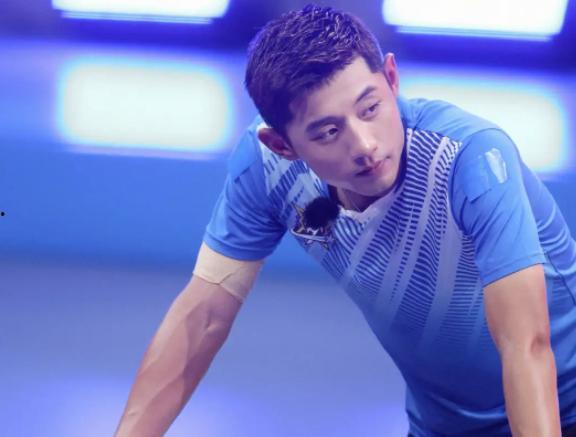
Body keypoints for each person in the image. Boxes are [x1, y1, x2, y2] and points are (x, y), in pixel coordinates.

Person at [115, 4, 576, 436]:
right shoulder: (266, 169)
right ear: (282, 145)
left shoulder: (470, 158)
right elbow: (203, 316)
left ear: (391, 78)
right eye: (329, 131)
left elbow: (526, 345)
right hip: (445, 424)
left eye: (370, 109)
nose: (364, 145)